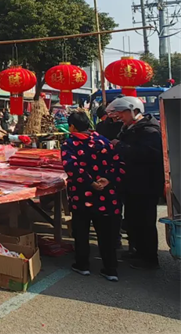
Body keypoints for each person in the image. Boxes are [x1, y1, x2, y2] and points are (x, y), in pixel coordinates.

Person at [62, 111, 123, 281]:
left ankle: (82, 265)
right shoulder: (104, 141)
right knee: (106, 234)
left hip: (81, 196)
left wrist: (90, 183)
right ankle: (110, 269)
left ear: (72, 127)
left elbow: (71, 167)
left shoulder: (70, 144)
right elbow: (119, 164)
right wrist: (107, 180)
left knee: (81, 232)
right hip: (106, 196)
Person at [106, 96, 164, 269]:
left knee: (145, 222)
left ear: (133, 110)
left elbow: (147, 155)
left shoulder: (150, 131)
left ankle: (149, 258)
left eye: (121, 113)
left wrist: (120, 146)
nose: (119, 117)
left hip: (146, 185)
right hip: (132, 183)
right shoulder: (129, 128)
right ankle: (136, 251)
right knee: (132, 220)